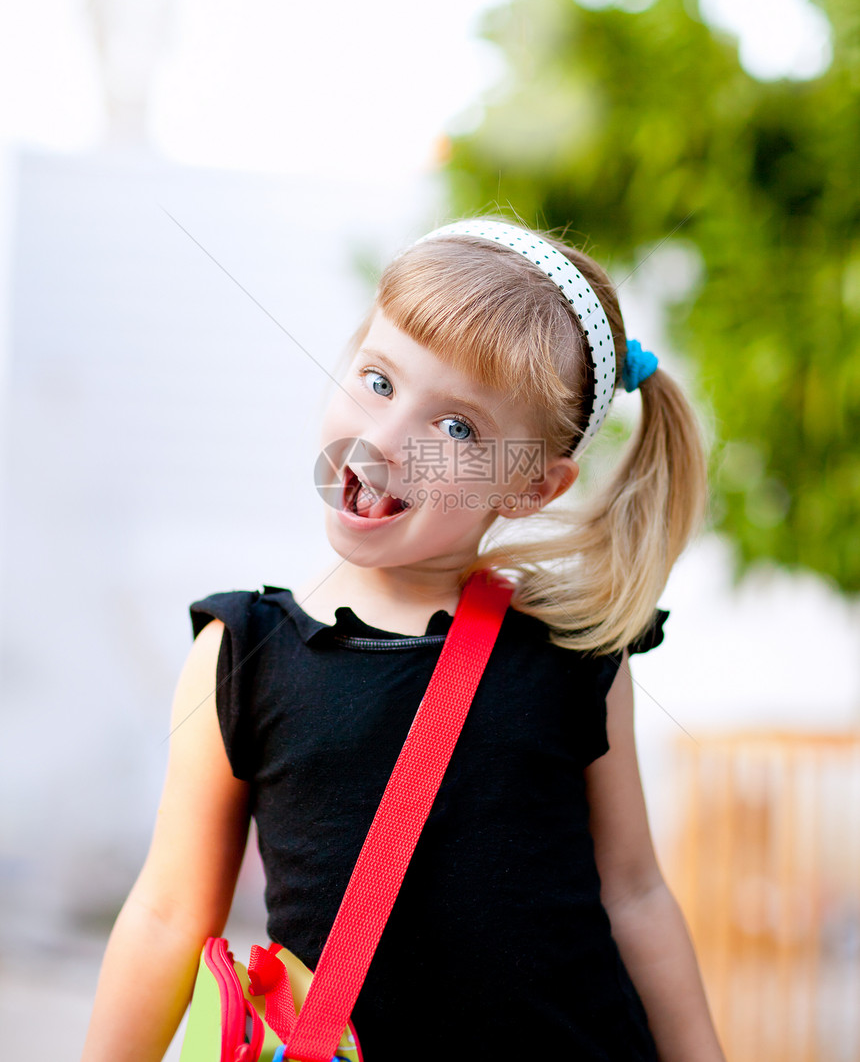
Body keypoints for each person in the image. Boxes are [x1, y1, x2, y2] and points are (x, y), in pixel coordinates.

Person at [82, 218, 726, 1061]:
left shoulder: (576, 657)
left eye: (457, 429)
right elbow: (169, 913)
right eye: (379, 381)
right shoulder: (242, 656)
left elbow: (636, 895)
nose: (385, 439)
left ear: (534, 486)